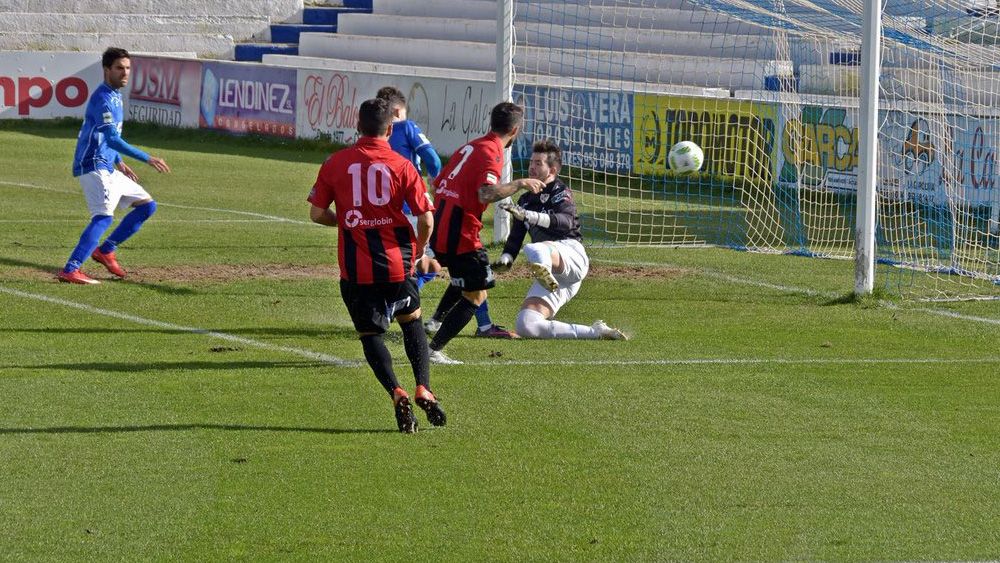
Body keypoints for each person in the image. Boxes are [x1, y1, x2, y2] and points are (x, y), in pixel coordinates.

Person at [308, 97, 446, 433]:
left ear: (357, 126)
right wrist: (420, 249)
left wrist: (348, 222)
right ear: (389, 128)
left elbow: (316, 213)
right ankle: (422, 386)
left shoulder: (335, 163)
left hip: (356, 270)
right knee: (411, 321)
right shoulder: (403, 166)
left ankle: (395, 392)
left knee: (370, 335)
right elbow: (426, 219)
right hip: (398, 266)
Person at [375, 86, 516, 340]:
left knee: (435, 265)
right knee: (458, 271)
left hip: (384, 212)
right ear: (398, 111)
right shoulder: (406, 127)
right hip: (414, 211)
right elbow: (432, 158)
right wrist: (434, 177)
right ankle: (396, 308)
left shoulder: (375, 137)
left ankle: (443, 320)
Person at [425, 102, 545, 365]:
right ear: (515, 130)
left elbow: (435, 185)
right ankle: (432, 350)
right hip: (462, 233)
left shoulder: (470, 146)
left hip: (443, 225)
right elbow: (486, 193)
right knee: (476, 293)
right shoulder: (491, 152)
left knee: (464, 282)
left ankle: (432, 324)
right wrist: (520, 183)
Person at [493, 140, 628, 340]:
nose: (532, 167)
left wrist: (530, 216)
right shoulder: (525, 200)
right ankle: (596, 332)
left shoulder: (560, 192)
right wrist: (506, 259)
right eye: (531, 161)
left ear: (552, 169)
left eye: (538, 163)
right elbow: (514, 240)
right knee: (526, 325)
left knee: (535, 249)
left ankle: (543, 268)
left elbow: (565, 223)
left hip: (571, 255)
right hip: (557, 279)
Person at [59, 47, 171, 284]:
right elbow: (111, 139)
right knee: (103, 218)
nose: (125, 73)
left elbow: (103, 135)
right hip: (93, 165)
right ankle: (72, 268)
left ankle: (106, 250)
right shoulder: (103, 98)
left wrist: (118, 161)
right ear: (106, 69)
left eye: (128, 68)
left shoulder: (114, 95)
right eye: (119, 68)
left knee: (147, 206)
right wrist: (147, 158)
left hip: (108, 165)